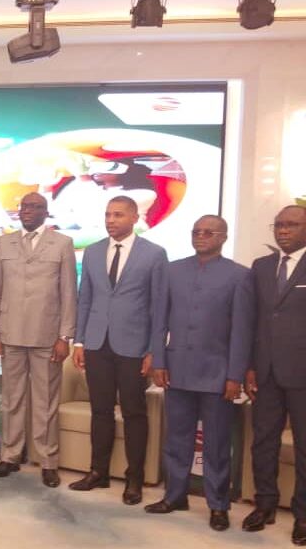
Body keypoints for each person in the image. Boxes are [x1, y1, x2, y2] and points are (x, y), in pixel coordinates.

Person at [144, 215, 253, 532]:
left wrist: (235, 376)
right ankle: (175, 496)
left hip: (217, 374)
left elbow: (242, 331)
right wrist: (159, 362)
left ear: (223, 237)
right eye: (196, 231)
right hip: (176, 370)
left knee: (216, 444)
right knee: (176, 439)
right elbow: (159, 321)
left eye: (208, 232)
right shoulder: (172, 270)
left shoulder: (239, 275)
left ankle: (218, 505)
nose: (200, 236)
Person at [70, 195, 168, 505]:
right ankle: (97, 472)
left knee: (134, 412)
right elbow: (85, 299)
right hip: (97, 343)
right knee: (100, 410)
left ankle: (134, 478)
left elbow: (159, 307)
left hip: (134, 346)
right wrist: (80, 341)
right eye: (108, 215)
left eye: (118, 215)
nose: (111, 220)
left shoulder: (154, 254)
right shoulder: (93, 251)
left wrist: (154, 350)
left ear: (135, 218)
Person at [0, 192, 77, 487]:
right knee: (11, 400)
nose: (28, 210)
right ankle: (10, 456)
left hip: (47, 336)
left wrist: (65, 336)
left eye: (35, 206)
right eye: (24, 206)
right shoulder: (4, 243)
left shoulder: (62, 243)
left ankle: (48, 461)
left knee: (45, 402)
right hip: (10, 334)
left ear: (46, 212)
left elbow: (69, 294)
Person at [243, 205, 306, 544]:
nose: (283, 230)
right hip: (265, 371)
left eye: (292, 225)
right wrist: (250, 366)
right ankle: (264, 504)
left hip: (302, 373)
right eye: (279, 225)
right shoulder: (262, 267)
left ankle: (303, 515)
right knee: (263, 441)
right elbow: (253, 320)